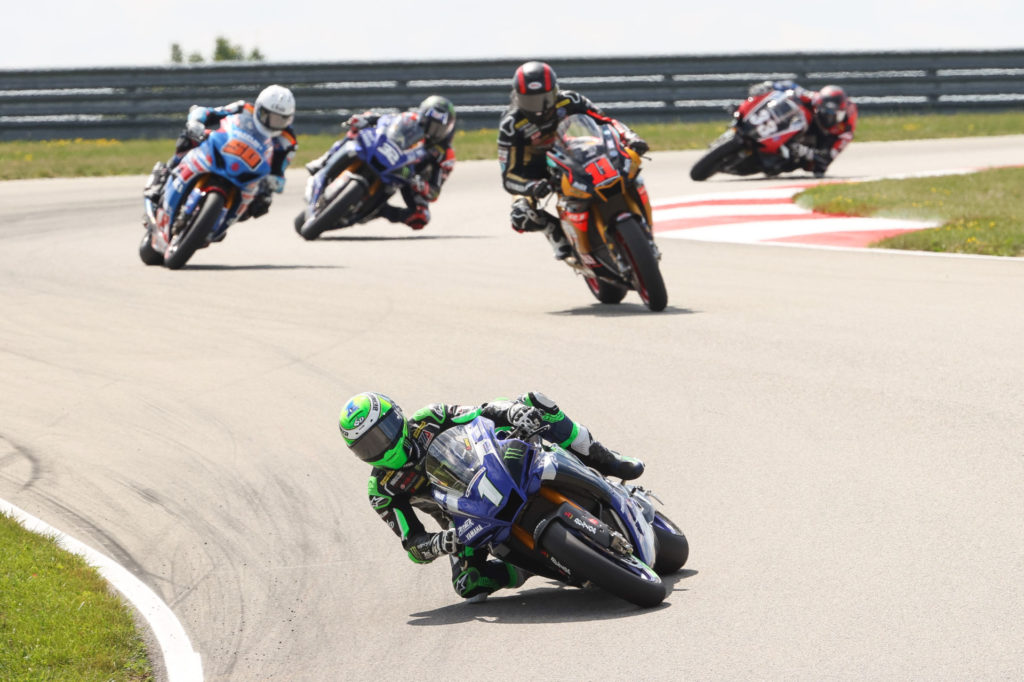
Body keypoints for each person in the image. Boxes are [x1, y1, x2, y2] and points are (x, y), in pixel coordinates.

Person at [338, 391, 644, 602]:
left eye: (385, 431)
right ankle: (530, 567)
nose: (383, 445)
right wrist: (441, 542)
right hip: (465, 522)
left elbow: (482, 411)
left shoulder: (429, 418)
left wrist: (514, 412)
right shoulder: (383, 490)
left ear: (398, 417)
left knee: (534, 402)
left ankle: (606, 459)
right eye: (369, 445)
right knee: (467, 584)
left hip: (493, 465)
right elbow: (412, 545)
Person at [497, 61, 650, 259]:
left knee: (628, 162)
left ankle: (638, 216)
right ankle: (553, 230)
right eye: (531, 102)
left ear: (555, 92)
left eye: (545, 99)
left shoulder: (570, 100)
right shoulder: (511, 125)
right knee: (521, 214)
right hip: (535, 171)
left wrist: (631, 137)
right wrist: (531, 187)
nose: (539, 109)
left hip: (574, 150)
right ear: (518, 99)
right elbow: (509, 175)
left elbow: (605, 122)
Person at [143, 84, 297, 222]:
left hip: (251, 170)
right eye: (268, 116)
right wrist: (196, 122)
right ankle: (164, 175)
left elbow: (279, 172)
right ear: (258, 108)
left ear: (288, 119)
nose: (272, 123)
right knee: (188, 138)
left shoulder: (288, 141)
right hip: (225, 147)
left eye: (280, 120)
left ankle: (220, 220)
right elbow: (210, 112)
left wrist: (273, 184)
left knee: (261, 204)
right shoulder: (243, 108)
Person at [304, 95, 457, 230]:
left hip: (408, 175)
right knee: (355, 133)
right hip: (388, 153)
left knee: (421, 216)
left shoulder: (445, 153)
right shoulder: (409, 119)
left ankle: (377, 211)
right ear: (422, 116)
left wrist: (421, 185)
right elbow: (385, 120)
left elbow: (435, 192)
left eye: (440, 128)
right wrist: (365, 119)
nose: (435, 132)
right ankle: (325, 159)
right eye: (431, 124)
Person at [748, 80, 858, 178]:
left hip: (824, 138)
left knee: (816, 166)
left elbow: (828, 157)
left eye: (834, 115)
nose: (829, 117)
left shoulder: (847, 126)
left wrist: (808, 153)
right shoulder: (814, 98)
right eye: (825, 112)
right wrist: (769, 85)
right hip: (807, 125)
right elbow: (791, 86)